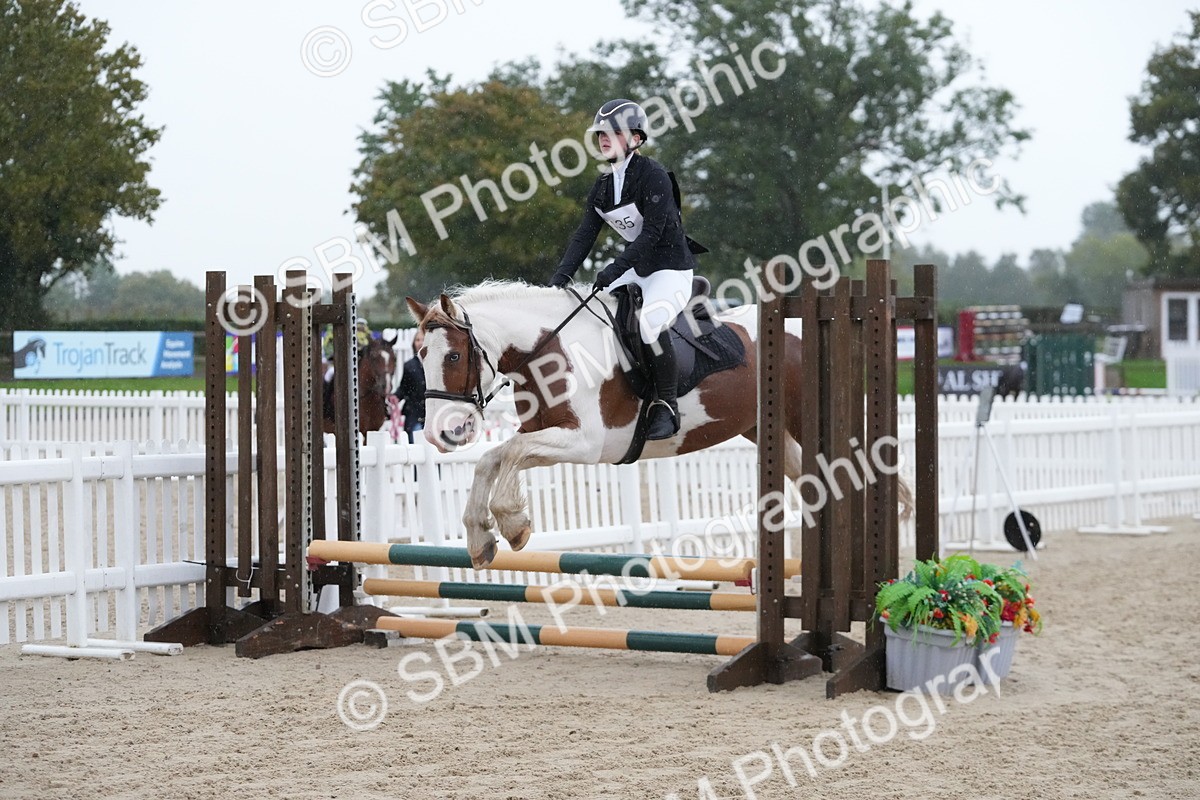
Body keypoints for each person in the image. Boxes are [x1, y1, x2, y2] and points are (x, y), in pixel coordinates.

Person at [549, 98, 702, 440]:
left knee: (649, 324)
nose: (604, 138)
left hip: (670, 269)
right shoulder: (603, 187)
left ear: (635, 139)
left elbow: (652, 235)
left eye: (613, 132)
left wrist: (613, 270)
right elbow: (584, 236)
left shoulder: (654, 176)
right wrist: (559, 280)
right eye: (601, 133)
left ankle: (666, 405)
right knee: (595, 312)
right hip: (639, 267)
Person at [394, 328, 426, 442]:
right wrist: (394, 397)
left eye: (423, 339)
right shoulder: (409, 366)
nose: (420, 342)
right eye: (417, 340)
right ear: (414, 343)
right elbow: (404, 388)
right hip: (413, 414)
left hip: (431, 415)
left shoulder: (436, 365)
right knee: (415, 448)